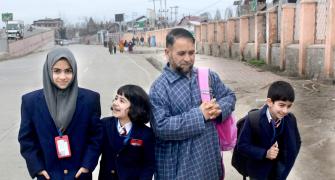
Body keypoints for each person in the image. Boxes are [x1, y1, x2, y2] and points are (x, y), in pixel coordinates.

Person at [149, 28, 236, 179]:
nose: (188, 59)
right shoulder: (159, 88)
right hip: (177, 169)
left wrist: (219, 109)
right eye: (181, 53)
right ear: (167, 52)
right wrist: (200, 115)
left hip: (209, 162)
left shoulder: (207, 77)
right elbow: (161, 127)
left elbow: (229, 96)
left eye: (191, 52)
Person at [18, 48, 102, 180]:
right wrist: (38, 168)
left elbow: (96, 137)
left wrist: (87, 165)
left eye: (68, 71)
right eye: (57, 71)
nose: (63, 77)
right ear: (48, 71)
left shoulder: (90, 99)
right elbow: (26, 139)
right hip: (48, 175)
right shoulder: (30, 102)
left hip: (79, 175)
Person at [236, 81, 301, 180]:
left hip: (279, 172)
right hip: (258, 173)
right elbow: (242, 146)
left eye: (289, 106)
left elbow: (296, 142)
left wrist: (286, 162)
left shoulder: (290, 119)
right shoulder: (253, 119)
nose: (285, 111)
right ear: (270, 102)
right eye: (281, 105)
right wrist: (264, 153)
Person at [98, 84, 155, 180]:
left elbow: (148, 165)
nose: (116, 103)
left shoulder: (146, 134)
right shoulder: (105, 124)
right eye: (116, 98)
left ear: (135, 107)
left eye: (122, 101)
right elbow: (94, 148)